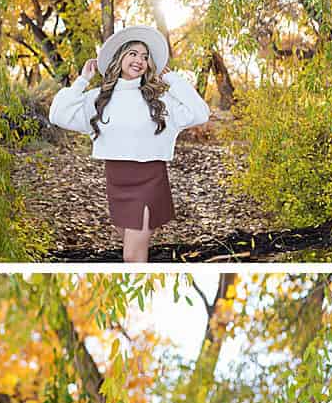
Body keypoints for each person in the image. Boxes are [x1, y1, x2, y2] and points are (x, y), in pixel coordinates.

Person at [48, 26, 213, 263]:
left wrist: (172, 79)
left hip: (150, 181)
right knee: (132, 249)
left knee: (133, 258)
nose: (140, 60)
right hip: (116, 181)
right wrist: (82, 80)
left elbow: (200, 113)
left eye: (145, 57)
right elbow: (58, 115)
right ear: (120, 57)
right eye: (133, 54)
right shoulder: (99, 98)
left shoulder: (159, 100)